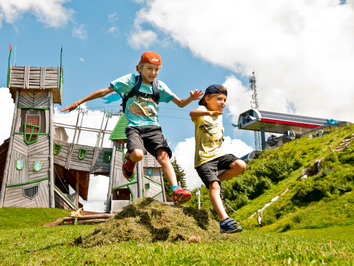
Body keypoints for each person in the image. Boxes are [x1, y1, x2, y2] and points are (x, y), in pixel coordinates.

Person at [61, 51, 203, 205]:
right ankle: (129, 159)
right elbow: (104, 91)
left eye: (156, 69)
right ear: (140, 68)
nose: (153, 73)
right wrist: (79, 102)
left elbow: (180, 103)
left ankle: (176, 190)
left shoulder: (159, 87)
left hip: (154, 128)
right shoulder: (130, 81)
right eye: (149, 68)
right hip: (134, 127)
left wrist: (191, 98)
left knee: (164, 157)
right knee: (138, 154)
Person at [189, 84, 247, 233]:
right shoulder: (203, 110)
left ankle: (216, 183)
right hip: (204, 159)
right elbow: (192, 113)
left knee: (240, 165)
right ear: (207, 99)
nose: (223, 102)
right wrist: (209, 114)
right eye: (219, 99)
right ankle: (224, 221)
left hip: (219, 155)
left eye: (225, 100)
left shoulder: (219, 115)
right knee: (214, 187)